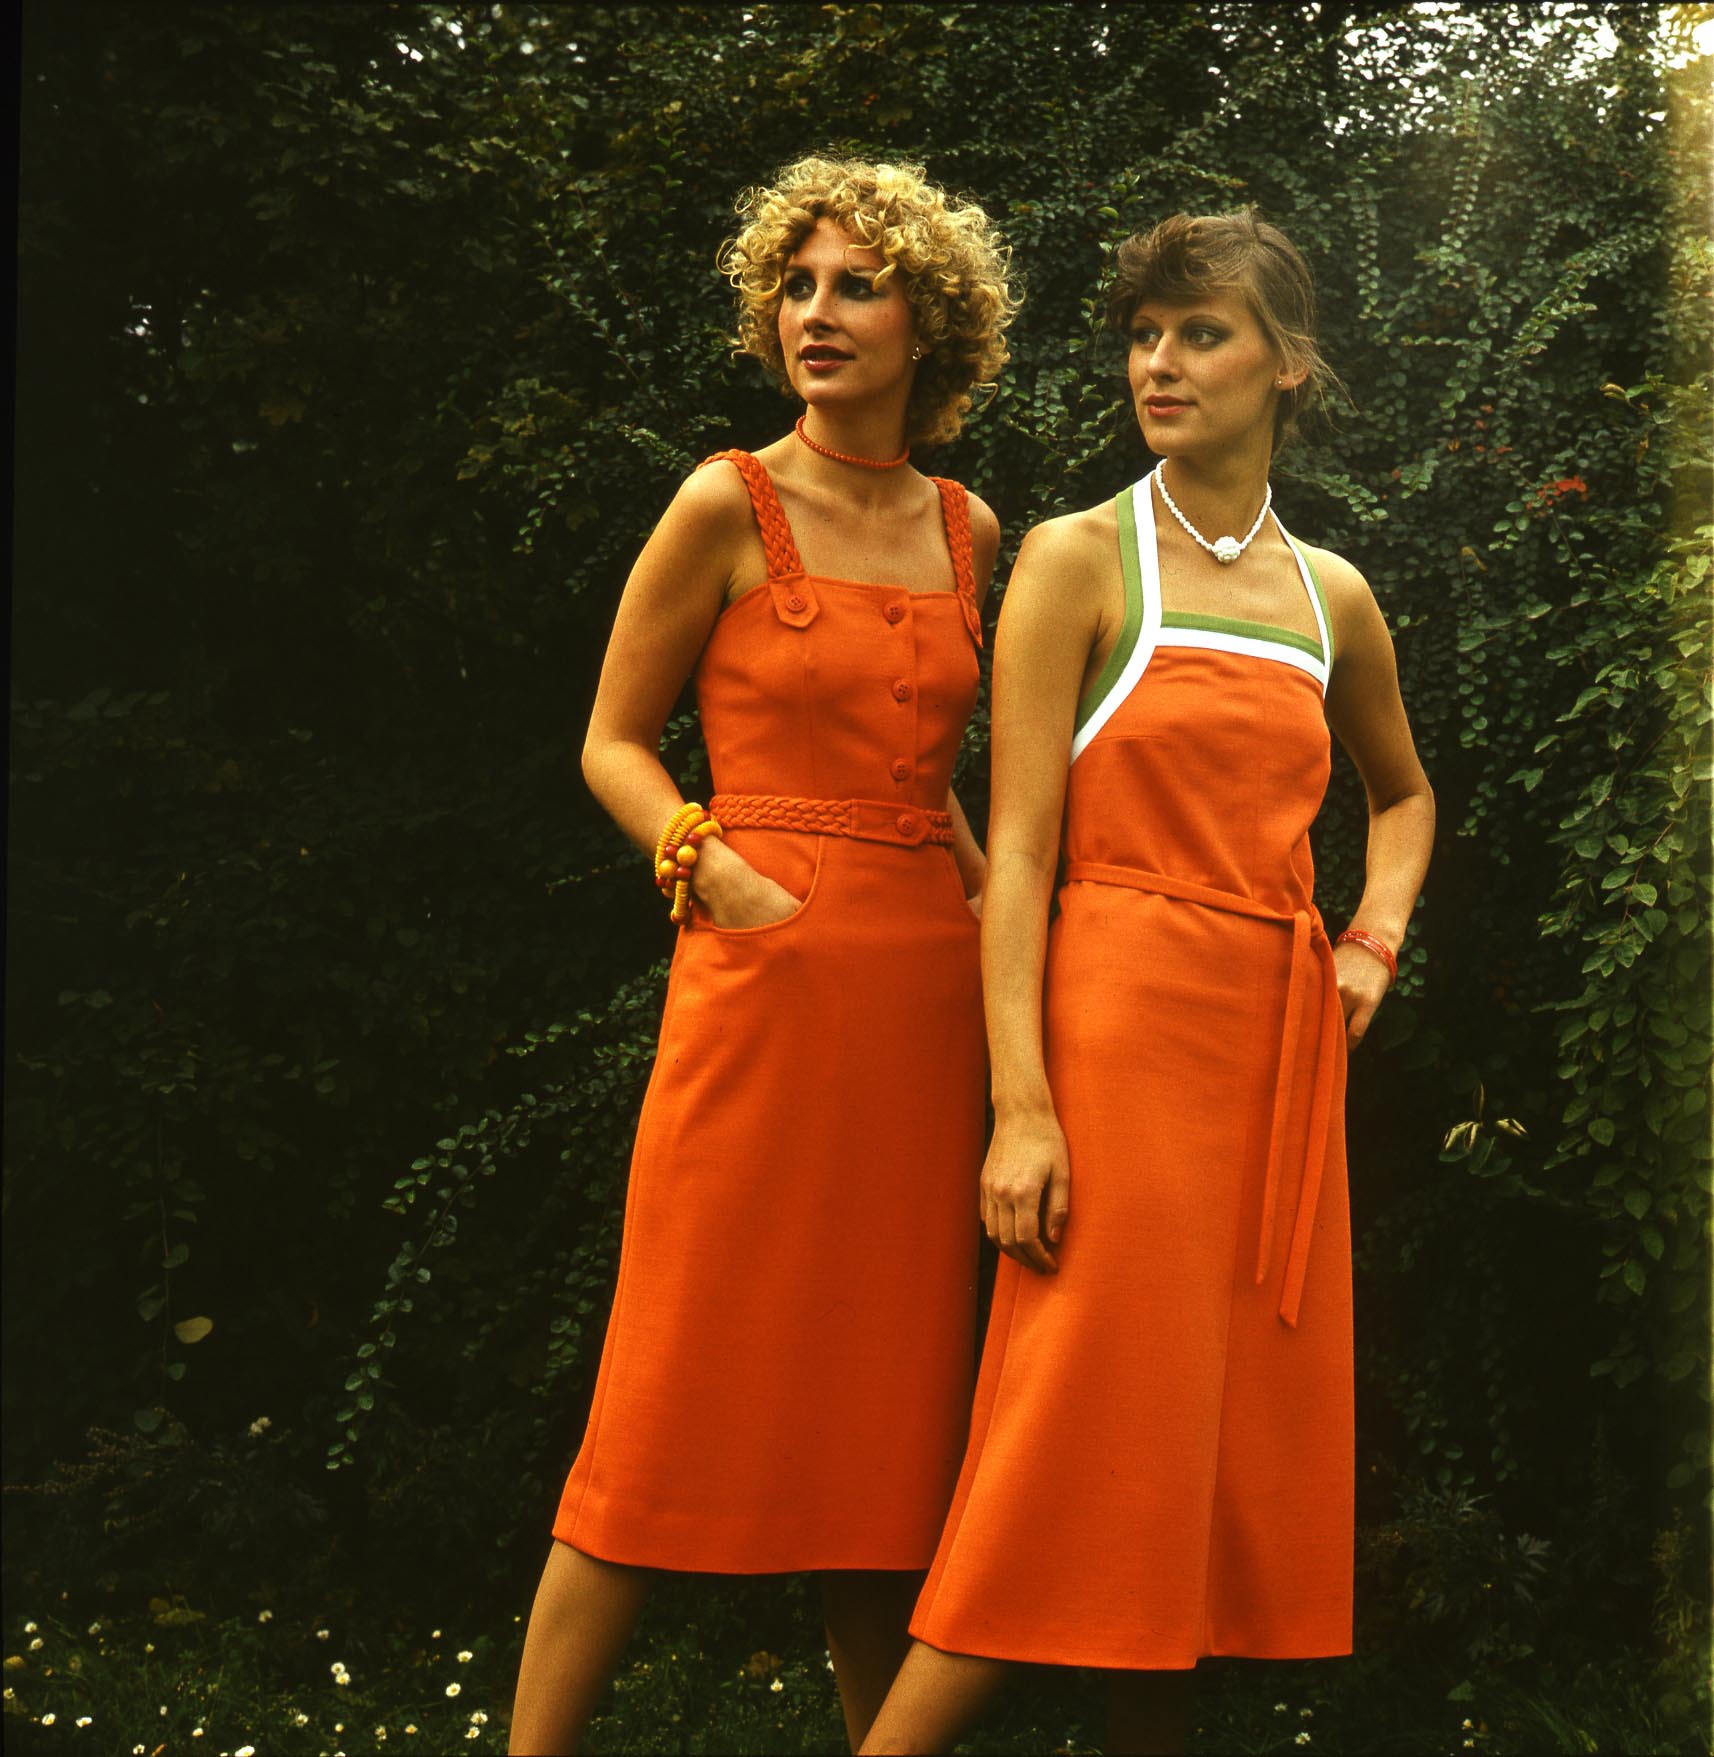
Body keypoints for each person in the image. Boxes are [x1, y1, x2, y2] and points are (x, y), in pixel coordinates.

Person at [861, 210, 1436, 1757]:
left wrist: (1371, 937)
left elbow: (1402, 795)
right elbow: (1018, 859)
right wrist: (1020, 1107)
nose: (1158, 364)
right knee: (1063, 1441)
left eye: (1200, 333)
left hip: (1271, 1063)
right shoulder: (1075, 558)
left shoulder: (1332, 595)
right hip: (1113, 1041)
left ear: (1286, 364)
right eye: (1142, 334)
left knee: (1180, 1466)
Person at [507, 154, 1018, 1757]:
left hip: (920, 1007)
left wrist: (1004, 930)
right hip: (758, 982)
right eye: (795, 285)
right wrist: (713, 870)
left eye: (857, 285)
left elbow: (934, 778)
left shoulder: (970, 528)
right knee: (662, 1393)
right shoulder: (723, 500)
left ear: (929, 324)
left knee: (886, 1432)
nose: (817, 312)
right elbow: (608, 740)